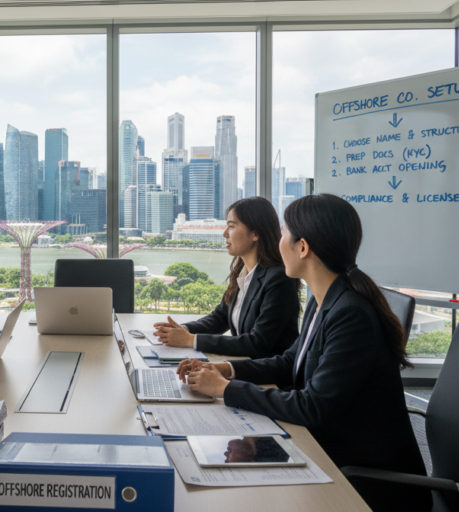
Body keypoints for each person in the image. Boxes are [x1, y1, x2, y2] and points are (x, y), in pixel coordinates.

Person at [177, 194, 431, 512]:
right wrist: (228, 370)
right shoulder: (324, 298)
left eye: (284, 233)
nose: (278, 241)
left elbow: (312, 406)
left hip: (364, 478)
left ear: (303, 247)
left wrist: (227, 390)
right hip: (328, 447)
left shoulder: (350, 313)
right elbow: (289, 361)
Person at [152, 197, 300, 359]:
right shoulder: (242, 273)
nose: (224, 234)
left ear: (255, 234)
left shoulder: (279, 279)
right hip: (244, 367)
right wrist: (183, 330)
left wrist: (192, 340)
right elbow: (220, 318)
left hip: (268, 378)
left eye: (231, 226)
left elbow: (259, 343)